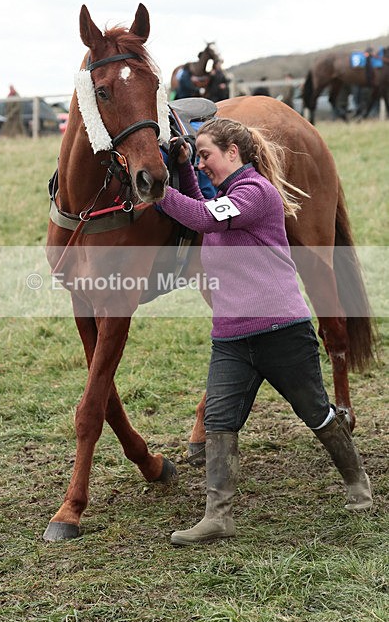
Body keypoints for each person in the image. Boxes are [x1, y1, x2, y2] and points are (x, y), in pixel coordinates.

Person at [158, 117, 372, 546]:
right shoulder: (228, 195)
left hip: (282, 332)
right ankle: (217, 516)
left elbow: (203, 216)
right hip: (232, 337)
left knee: (315, 411)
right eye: (198, 156)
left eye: (206, 156)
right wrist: (183, 168)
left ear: (233, 153)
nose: (202, 164)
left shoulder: (256, 193)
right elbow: (204, 202)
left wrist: (157, 191)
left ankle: (358, 484)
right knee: (219, 421)